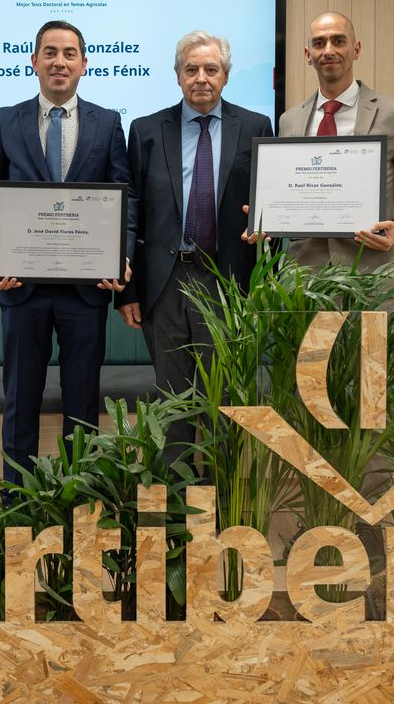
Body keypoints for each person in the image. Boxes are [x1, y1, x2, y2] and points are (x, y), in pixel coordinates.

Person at [0, 20, 136, 488]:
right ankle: (17, 508)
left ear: (84, 64)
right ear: (34, 61)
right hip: (21, 286)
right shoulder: (6, 120)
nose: (59, 62)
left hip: (87, 288)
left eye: (69, 53)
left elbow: (126, 197)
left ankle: (78, 506)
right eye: (50, 52)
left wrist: (120, 255)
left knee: (82, 408)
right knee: (20, 403)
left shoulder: (108, 123)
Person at [117, 31, 273, 466]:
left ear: (226, 75)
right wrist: (128, 292)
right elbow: (131, 212)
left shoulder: (256, 126)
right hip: (165, 284)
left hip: (227, 280)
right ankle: (177, 502)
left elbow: (270, 201)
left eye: (210, 69)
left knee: (224, 401)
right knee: (173, 403)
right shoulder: (146, 130)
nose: (201, 78)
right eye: (191, 69)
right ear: (177, 76)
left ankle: (222, 499)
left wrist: (266, 228)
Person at [271, 11, 394, 286]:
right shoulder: (289, 120)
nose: (328, 50)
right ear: (308, 55)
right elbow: (287, 192)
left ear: (356, 49)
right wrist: (266, 213)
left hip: (370, 279)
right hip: (302, 283)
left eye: (338, 41)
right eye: (319, 43)